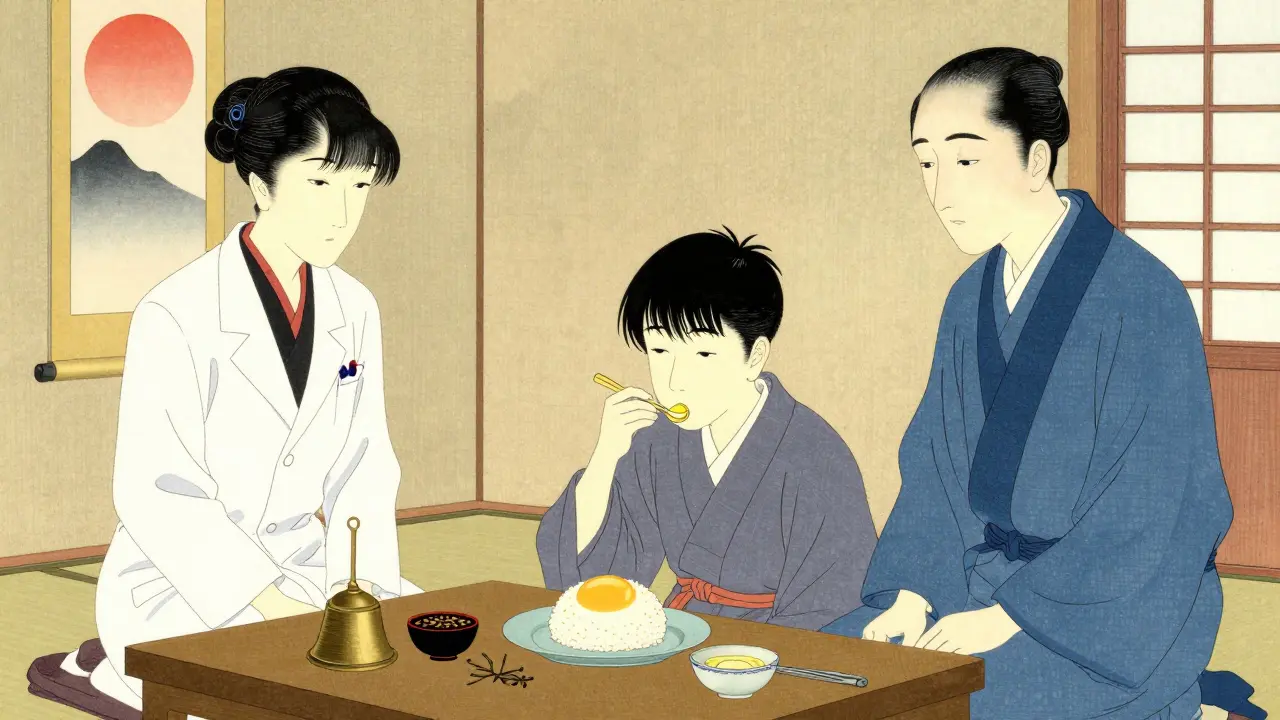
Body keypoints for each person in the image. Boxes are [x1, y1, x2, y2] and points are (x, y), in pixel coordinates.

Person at [820, 48, 1265, 720]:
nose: (941, 190)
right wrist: (912, 597)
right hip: (974, 587)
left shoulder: (1141, 296)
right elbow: (937, 474)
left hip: (1112, 619)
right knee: (827, 670)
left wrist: (1011, 618)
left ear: (1035, 160)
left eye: (965, 160)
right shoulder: (969, 298)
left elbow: (1155, 511)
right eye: (926, 162)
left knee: (932, 706)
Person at [41, 67, 424, 716]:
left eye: (359, 187)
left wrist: (357, 589)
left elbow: (364, 466)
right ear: (260, 185)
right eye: (320, 183)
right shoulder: (177, 310)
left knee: (419, 672)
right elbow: (157, 491)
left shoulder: (354, 306)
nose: (343, 212)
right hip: (182, 582)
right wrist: (271, 606)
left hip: (312, 571)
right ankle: (109, 667)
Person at [536, 228, 877, 630]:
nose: (676, 378)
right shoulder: (656, 441)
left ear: (755, 355)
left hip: (774, 650)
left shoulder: (815, 455)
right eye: (660, 350)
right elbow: (598, 582)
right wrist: (605, 455)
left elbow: (833, 601)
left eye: (703, 352)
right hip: (680, 631)